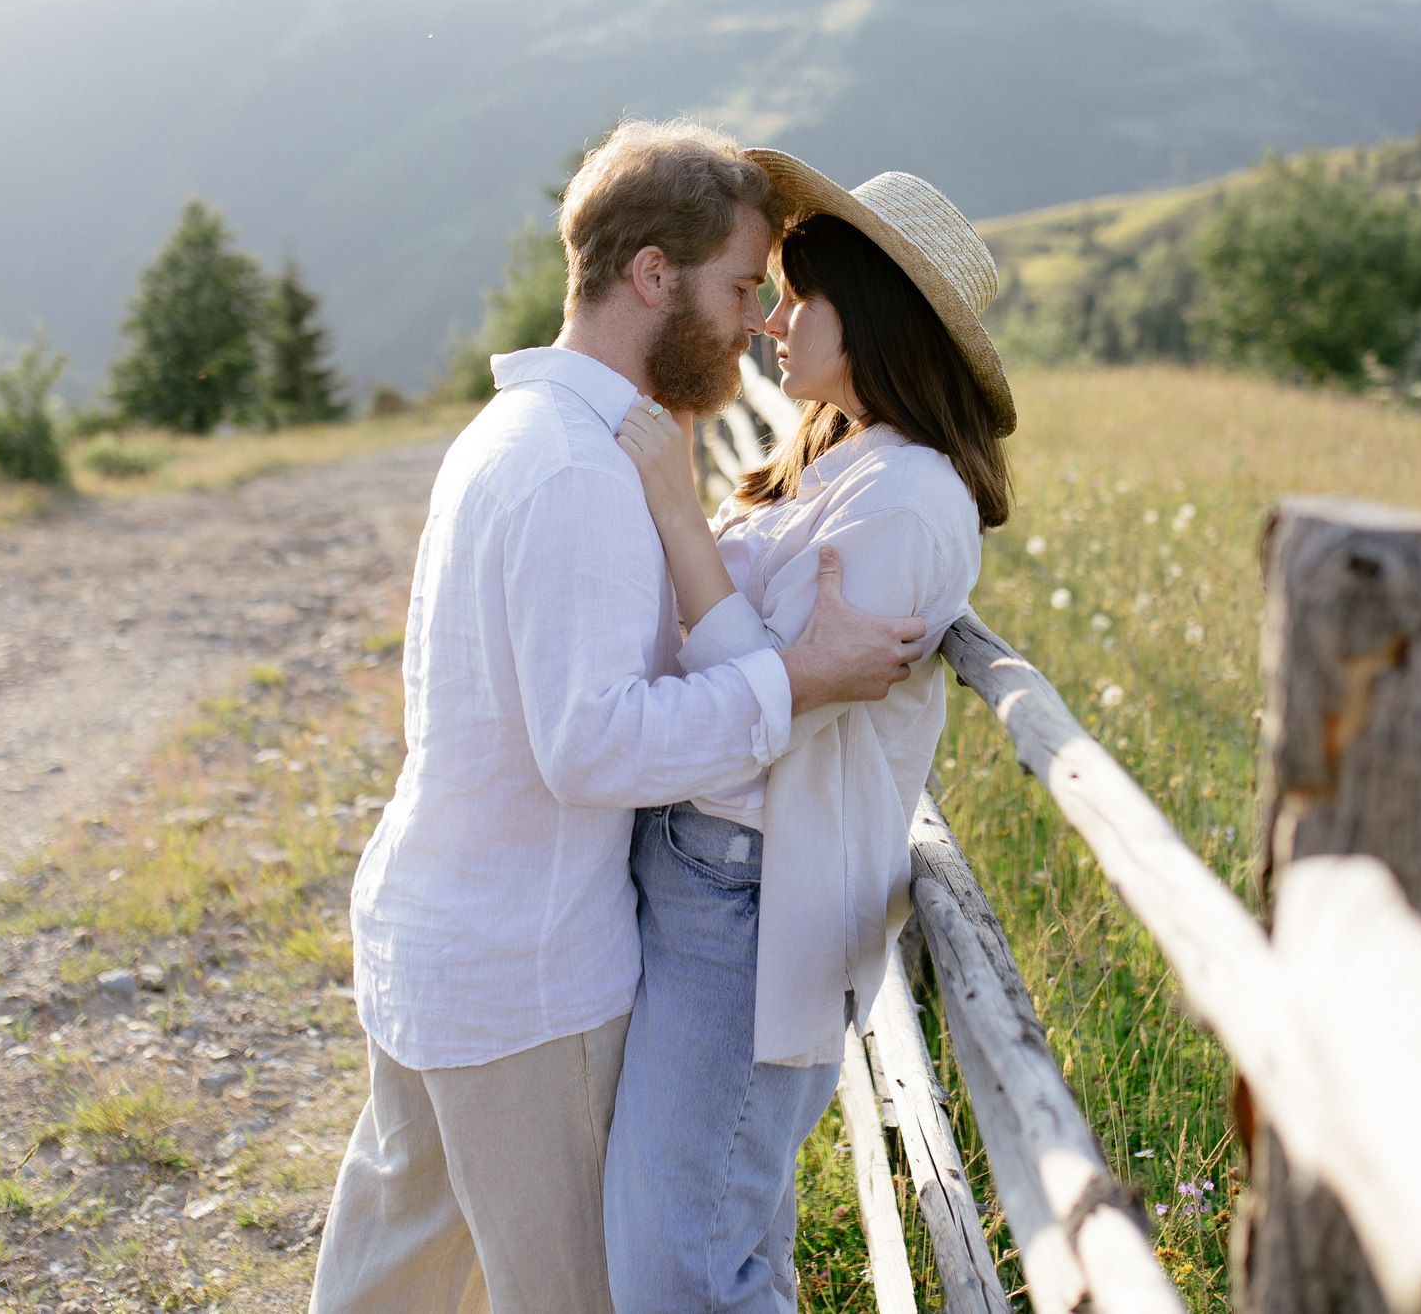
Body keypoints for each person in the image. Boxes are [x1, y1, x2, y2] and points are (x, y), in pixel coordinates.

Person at [312, 120, 934, 1314]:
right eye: (744, 284)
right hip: (525, 977)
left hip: (438, 933)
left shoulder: (521, 434)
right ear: (653, 275)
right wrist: (795, 679)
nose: (760, 318)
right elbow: (590, 744)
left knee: (393, 1278)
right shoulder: (574, 472)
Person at [603, 152, 1014, 1314]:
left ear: (869, 316)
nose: (773, 322)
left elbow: (760, 718)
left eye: (798, 296)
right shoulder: (845, 458)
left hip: (752, 892)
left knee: (678, 1266)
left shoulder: (907, 502)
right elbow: (772, 676)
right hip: (715, 875)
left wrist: (678, 514)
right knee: (708, 1237)